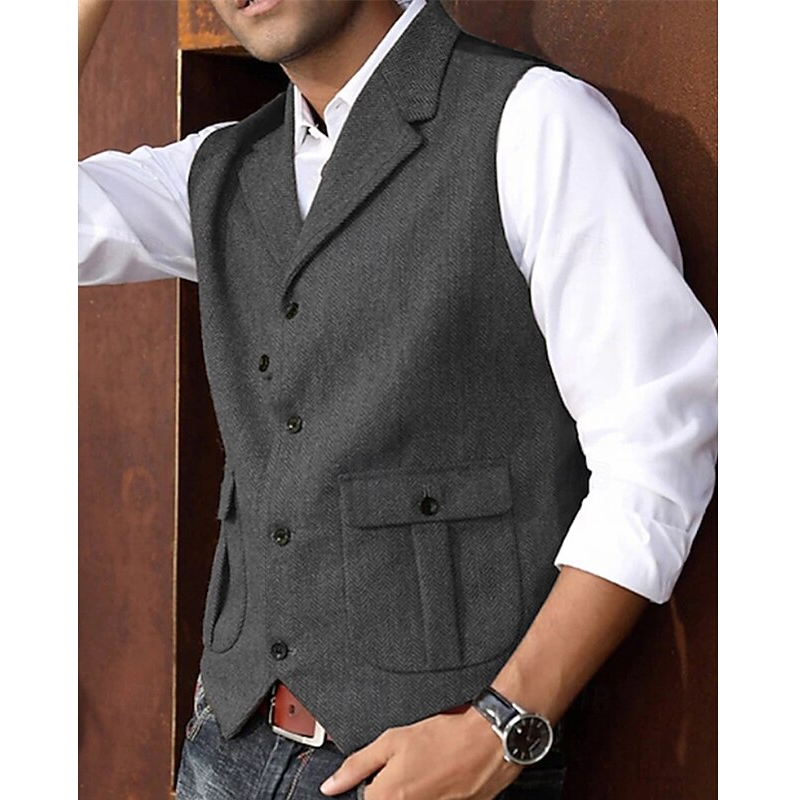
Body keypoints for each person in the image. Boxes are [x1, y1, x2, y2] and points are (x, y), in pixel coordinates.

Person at [78, 0, 718, 798]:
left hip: (428, 770)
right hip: (227, 754)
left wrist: (505, 725)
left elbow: (660, 448)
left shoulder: (535, 123)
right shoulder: (222, 169)